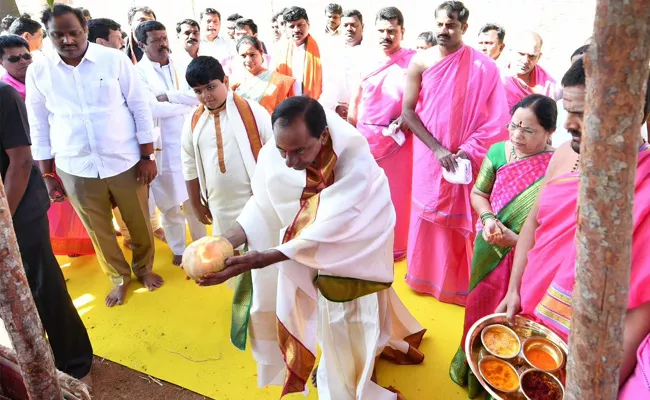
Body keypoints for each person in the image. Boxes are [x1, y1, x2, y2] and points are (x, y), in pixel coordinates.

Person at [197, 96, 425, 400]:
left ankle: (353, 380)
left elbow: (343, 225)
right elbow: (261, 207)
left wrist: (265, 258)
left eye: (299, 150)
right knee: (328, 324)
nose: (289, 162)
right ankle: (338, 363)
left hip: (353, 265)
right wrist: (225, 243)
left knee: (353, 324)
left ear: (324, 137)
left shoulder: (356, 165)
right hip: (305, 258)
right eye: (283, 151)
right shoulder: (274, 157)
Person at [496, 58, 650, 394]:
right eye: (568, 110)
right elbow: (534, 224)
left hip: (585, 352)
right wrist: (514, 290)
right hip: (528, 310)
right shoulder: (565, 153)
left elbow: (639, 312)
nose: (568, 123)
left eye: (582, 113)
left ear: (635, 113)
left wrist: (594, 387)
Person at [26, 4, 163, 307]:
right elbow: (39, 126)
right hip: (75, 166)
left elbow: (139, 107)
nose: (68, 40)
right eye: (58, 35)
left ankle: (144, 269)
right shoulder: (38, 71)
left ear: (85, 29)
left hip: (126, 160)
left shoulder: (113, 60)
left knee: (139, 221)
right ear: (48, 36)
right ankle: (119, 278)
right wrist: (47, 174)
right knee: (99, 230)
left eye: (73, 32)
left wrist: (147, 156)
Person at [402, 1, 509, 305]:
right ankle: (425, 278)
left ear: (465, 28)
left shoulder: (484, 67)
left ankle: (458, 284)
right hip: (429, 154)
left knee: (463, 219)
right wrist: (437, 149)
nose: (443, 31)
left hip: (466, 157)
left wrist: (467, 150)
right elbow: (408, 112)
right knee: (428, 216)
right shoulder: (420, 62)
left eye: (451, 25)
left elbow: (498, 118)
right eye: (439, 24)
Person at [449, 94, 556, 396]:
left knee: (515, 317)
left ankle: (507, 382)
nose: (517, 136)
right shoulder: (498, 152)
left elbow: (555, 223)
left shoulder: (557, 166)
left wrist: (518, 241)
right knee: (479, 307)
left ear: (550, 132)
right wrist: (487, 219)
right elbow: (479, 193)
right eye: (513, 126)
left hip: (531, 256)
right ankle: (472, 370)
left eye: (529, 130)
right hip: (489, 245)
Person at [0, 81, 94, 384]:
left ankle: (76, 366)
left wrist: (3, 223)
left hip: (18, 213)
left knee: (44, 288)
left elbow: (22, 161)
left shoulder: (4, 94)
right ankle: (29, 366)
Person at [1, 34, 95, 257]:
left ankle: (85, 238)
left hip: (62, 146)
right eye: (14, 59)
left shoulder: (45, 77)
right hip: (31, 157)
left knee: (75, 199)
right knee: (55, 206)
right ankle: (67, 243)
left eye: (26, 56)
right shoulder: (6, 92)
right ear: (2, 62)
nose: (23, 61)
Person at [135, 20, 207, 265]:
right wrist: (184, 102)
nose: (163, 43)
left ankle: (202, 244)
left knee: (194, 200)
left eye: (164, 37)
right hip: (162, 148)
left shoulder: (183, 63)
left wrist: (170, 97)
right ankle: (178, 248)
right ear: (141, 43)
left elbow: (199, 95)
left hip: (189, 142)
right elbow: (151, 109)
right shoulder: (139, 73)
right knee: (169, 205)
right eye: (155, 40)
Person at [348, 7, 416, 261]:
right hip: (366, 140)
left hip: (400, 141)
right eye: (381, 31)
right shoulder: (363, 60)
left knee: (397, 195)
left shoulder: (413, 61)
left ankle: (397, 247)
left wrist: (407, 118)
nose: (386, 36)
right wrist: (350, 136)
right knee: (365, 195)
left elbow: (425, 100)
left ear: (402, 32)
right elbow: (355, 101)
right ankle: (367, 245)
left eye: (392, 31)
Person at [181, 56, 273, 240]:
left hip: (254, 199)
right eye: (198, 91)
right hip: (218, 204)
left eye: (211, 87)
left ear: (226, 81)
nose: (206, 96)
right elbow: (189, 163)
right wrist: (195, 203)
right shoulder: (193, 121)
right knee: (226, 255)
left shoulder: (254, 112)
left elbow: (274, 152)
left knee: (258, 251)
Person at [318, 9, 367, 117]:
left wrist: (357, 108)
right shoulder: (332, 51)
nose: (349, 29)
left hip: (364, 112)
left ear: (362, 27)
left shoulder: (371, 51)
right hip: (338, 112)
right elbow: (327, 84)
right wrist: (335, 106)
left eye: (354, 25)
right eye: (345, 25)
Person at [231, 36, 294, 114]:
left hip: (267, 124)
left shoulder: (278, 80)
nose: (248, 60)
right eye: (243, 56)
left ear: (261, 53)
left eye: (252, 54)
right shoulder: (233, 81)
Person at [502, 31, 561, 111]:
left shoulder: (550, 87)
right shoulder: (496, 77)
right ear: (510, 51)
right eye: (521, 54)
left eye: (532, 56)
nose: (525, 61)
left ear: (539, 57)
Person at [276, 7, 322, 99]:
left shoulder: (321, 49)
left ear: (308, 24)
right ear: (285, 27)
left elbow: (330, 83)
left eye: (300, 25)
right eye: (292, 26)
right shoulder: (279, 51)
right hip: (289, 107)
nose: (296, 30)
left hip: (316, 105)